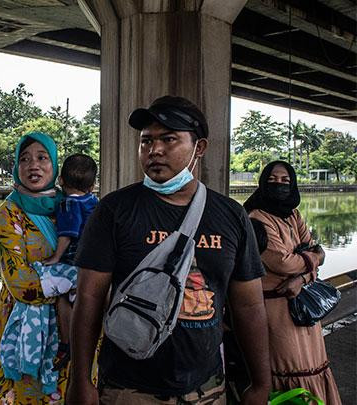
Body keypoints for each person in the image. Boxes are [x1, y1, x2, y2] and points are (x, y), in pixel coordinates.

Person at [67, 96, 271, 405]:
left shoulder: (231, 215)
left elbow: (249, 307)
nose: (154, 150)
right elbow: (89, 299)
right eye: (146, 141)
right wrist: (80, 380)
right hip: (128, 389)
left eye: (169, 139)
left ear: (199, 148)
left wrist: (260, 382)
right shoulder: (114, 210)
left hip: (207, 388)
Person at [244, 161, 342, 404]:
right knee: (289, 368)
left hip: (303, 304)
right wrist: (312, 260)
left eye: (285, 180)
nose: (279, 184)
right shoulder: (257, 218)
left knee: (313, 364)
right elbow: (283, 263)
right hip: (277, 310)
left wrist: (302, 277)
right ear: (263, 182)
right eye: (273, 179)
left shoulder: (293, 215)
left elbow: (317, 252)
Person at [0, 132, 69, 404]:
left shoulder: (70, 205)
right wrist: (77, 288)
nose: (34, 165)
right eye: (25, 159)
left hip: (70, 329)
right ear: (16, 168)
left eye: (42, 158)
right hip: (23, 325)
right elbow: (20, 282)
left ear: (54, 164)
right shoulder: (10, 212)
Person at [39, 153, 99, 371]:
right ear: (92, 185)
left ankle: (67, 343)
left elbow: (68, 234)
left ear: (61, 180)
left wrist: (55, 258)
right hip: (93, 261)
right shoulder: (94, 201)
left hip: (74, 260)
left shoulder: (68, 204)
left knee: (64, 299)